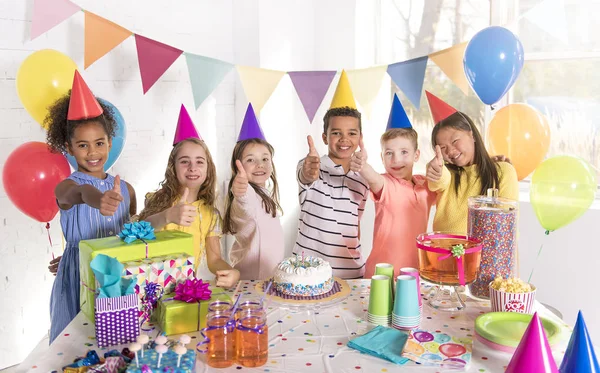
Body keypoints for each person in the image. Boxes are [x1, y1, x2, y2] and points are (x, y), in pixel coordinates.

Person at [46, 71, 135, 343]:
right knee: (74, 344)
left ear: (110, 142)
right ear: (68, 147)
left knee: (116, 340)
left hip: (114, 277)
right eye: (82, 145)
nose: (92, 152)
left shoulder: (126, 190)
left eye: (99, 143)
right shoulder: (66, 187)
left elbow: (130, 235)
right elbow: (82, 193)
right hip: (77, 278)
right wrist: (99, 200)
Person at [138, 105, 239, 287]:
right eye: (185, 161)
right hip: (151, 288)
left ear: (208, 169)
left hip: (186, 290)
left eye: (199, 162)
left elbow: (214, 258)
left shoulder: (210, 214)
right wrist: (167, 216)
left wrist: (232, 272)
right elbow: (139, 232)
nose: (193, 167)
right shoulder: (157, 201)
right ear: (173, 167)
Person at [294, 71, 369, 279]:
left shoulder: (364, 177)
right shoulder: (311, 165)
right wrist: (309, 172)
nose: (344, 139)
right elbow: (305, 176)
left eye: (351, 133)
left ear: (360, 137)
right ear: (324, 137)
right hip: (308, 273)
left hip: (351, 273)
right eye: (336, 133)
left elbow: (356, 222)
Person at [350, 95, 436, 277]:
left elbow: (452, 186)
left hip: (414, 275)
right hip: (381, 276)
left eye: (404, 152)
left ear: (416, 155)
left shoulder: (425, 185)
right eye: (389, 153)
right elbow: (373, 178)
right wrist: (362, 165)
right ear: (382, 158)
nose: (396, 159)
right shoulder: (386, 184)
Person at [424, 91, 518, 233]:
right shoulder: (447, 174)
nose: (450, 151)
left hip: (487, 254)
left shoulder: (502, 171)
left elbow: (505, 225)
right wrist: (437, 172)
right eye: (443, 148)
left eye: (455, 141)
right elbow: (439, 179)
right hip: (443, 254)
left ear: (472, 135)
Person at [223, 103, 284, 280]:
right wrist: (240, 189)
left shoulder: (264, 193)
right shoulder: (248, 193)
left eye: (265, 159)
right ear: (238, 165)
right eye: (251, 160)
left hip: (267, 279)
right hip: (252, 281)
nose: (260, 165)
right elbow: (244, 201)